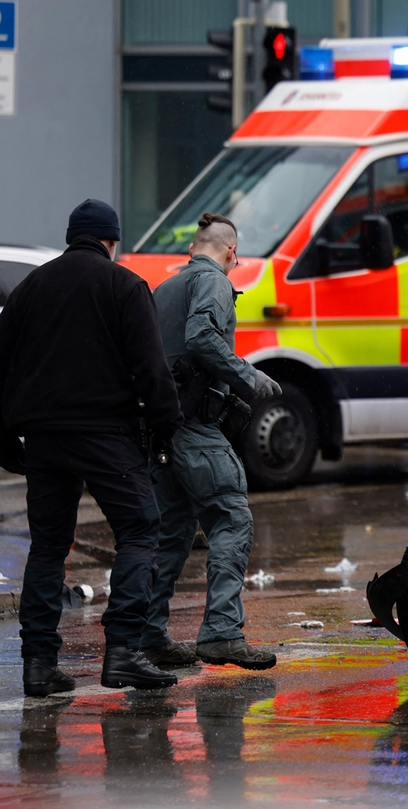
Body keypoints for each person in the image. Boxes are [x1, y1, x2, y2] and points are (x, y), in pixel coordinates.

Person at [0, 198, 183, 696]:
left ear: (72, 236)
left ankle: (38, 665)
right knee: (139, 528)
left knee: (48, 546)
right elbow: (152, 368)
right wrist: (166, 426)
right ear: (112, 241)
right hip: (105, 433)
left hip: (44, 437)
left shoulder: (32, 286)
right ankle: (124, 653)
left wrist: (0, 433)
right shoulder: (124, 285)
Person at [140, 212, 282, 670]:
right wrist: (249, 378)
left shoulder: (164, 291)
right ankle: (221, 632)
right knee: (231, 519)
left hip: (160, 431)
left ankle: (149, 636)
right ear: (230, 251)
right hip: (194, 429)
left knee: (173, 531)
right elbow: (202, 337)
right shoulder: (215, 282)